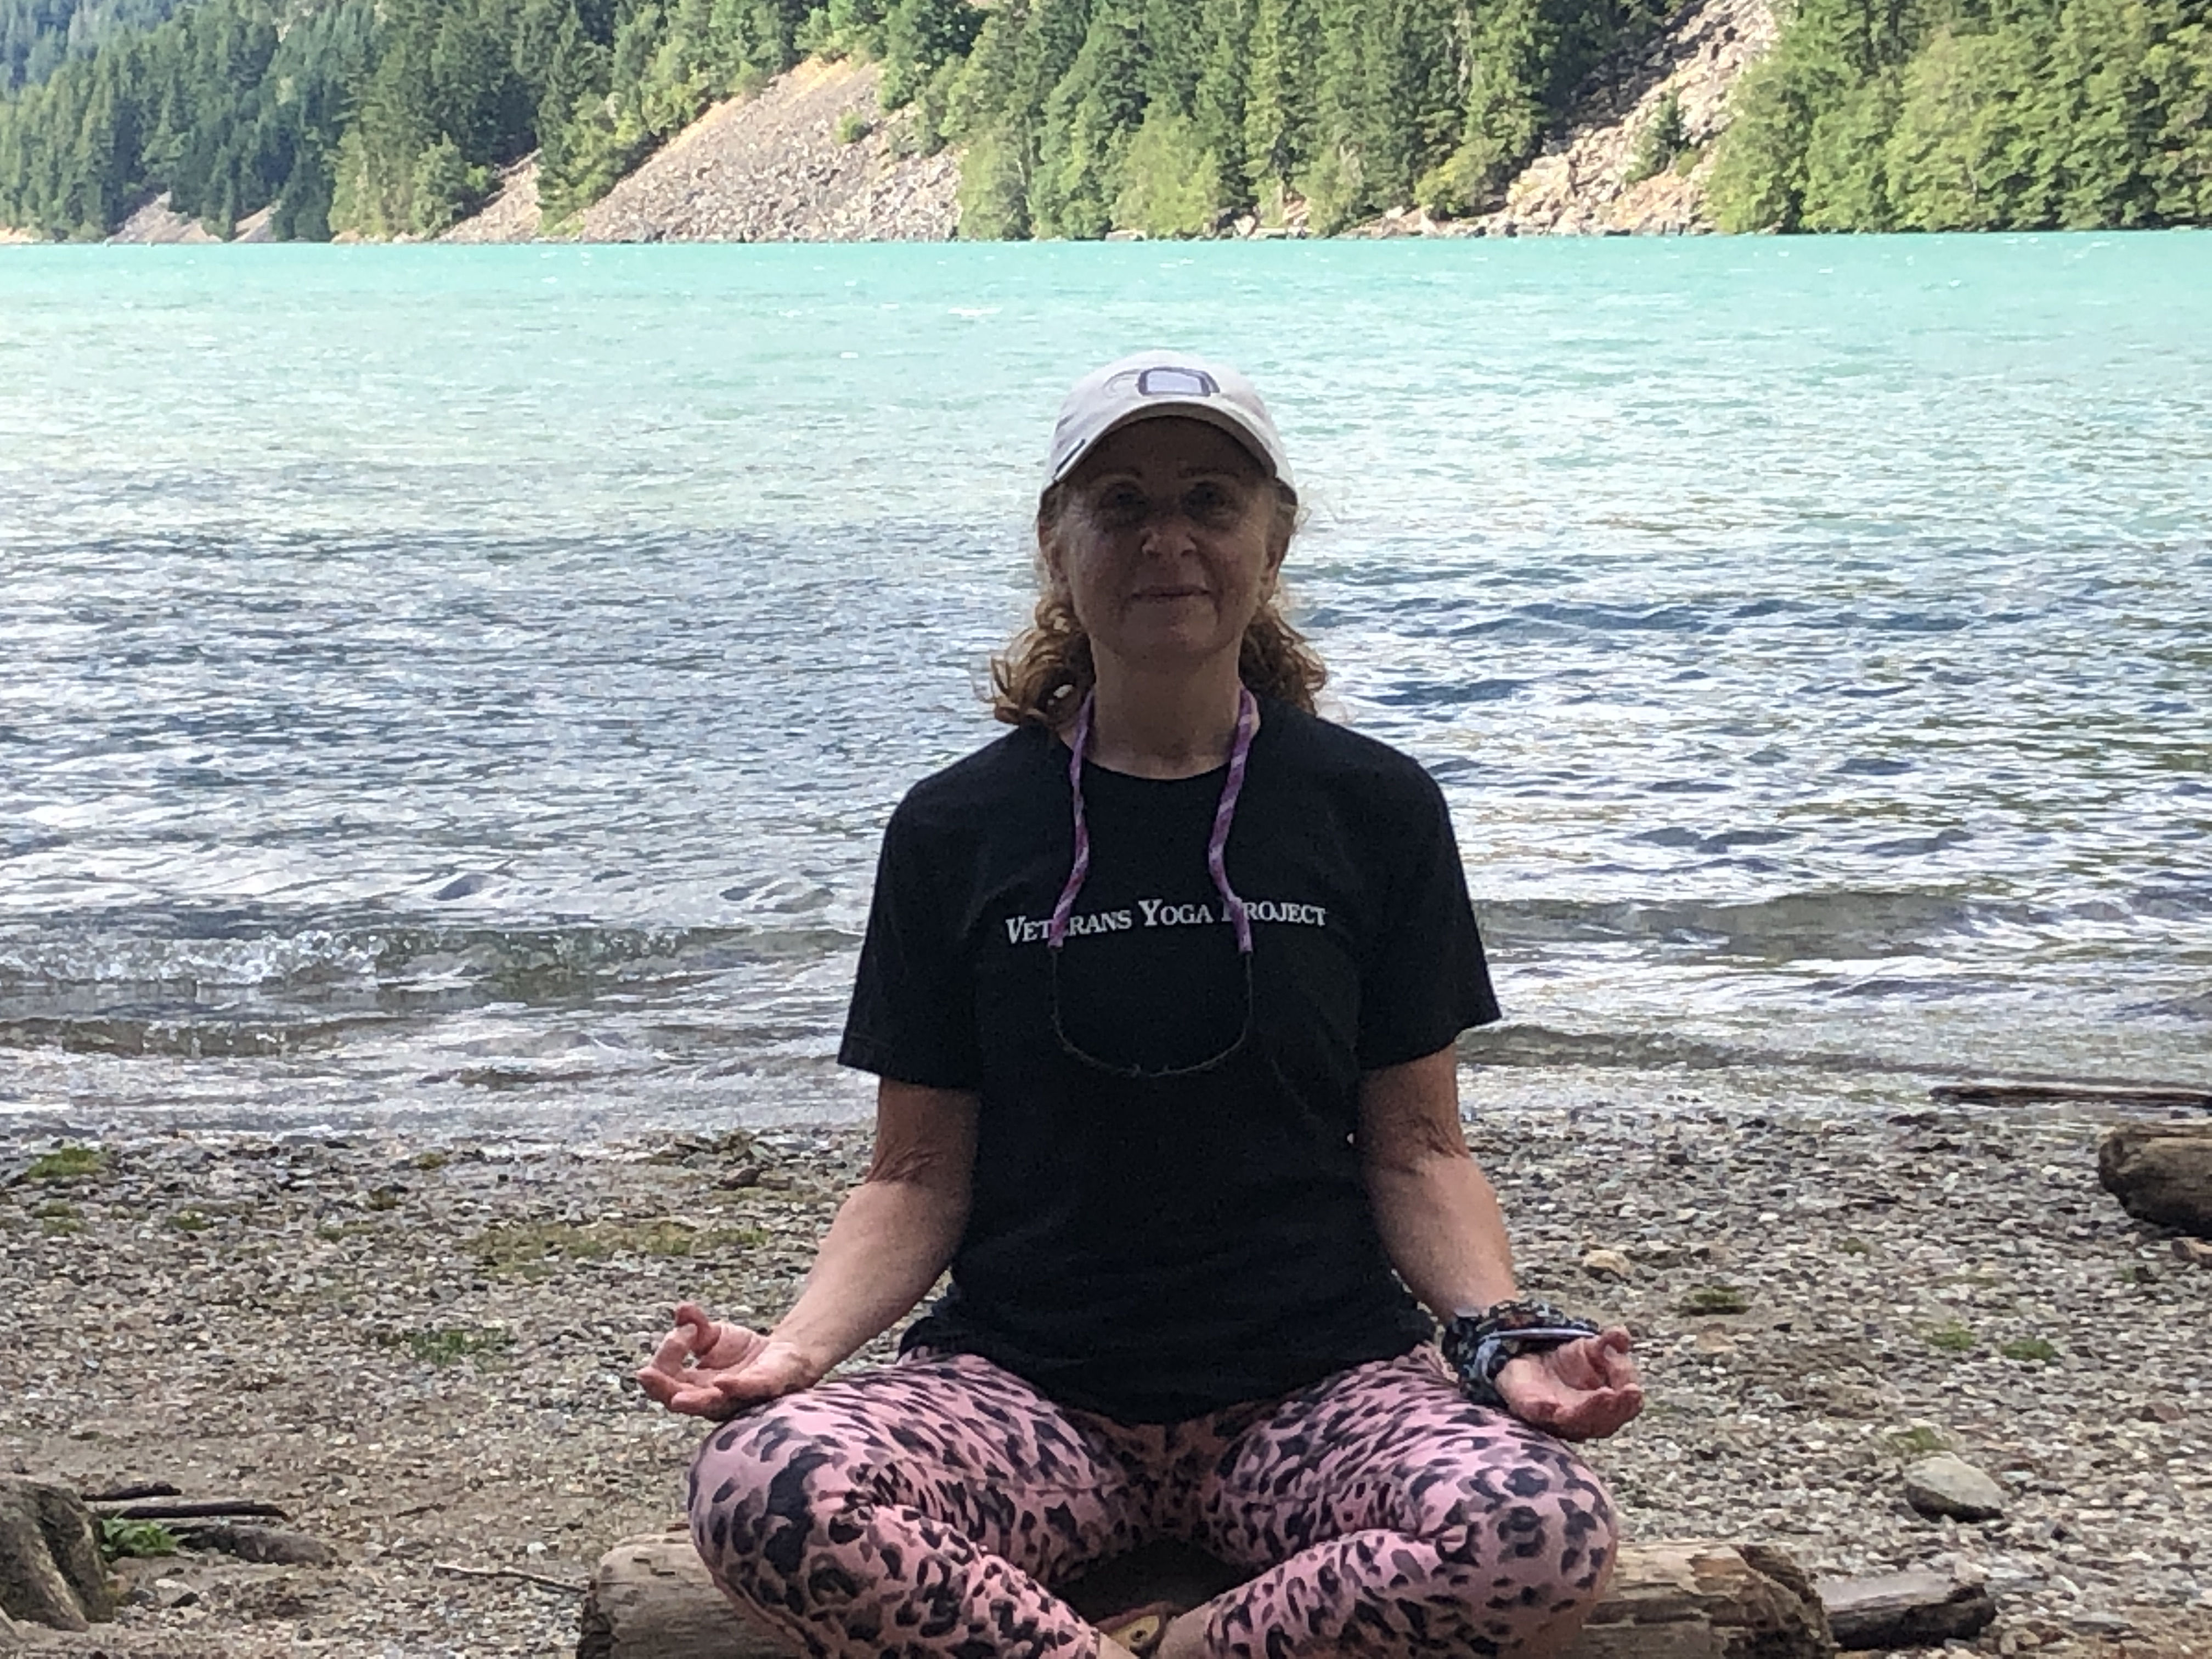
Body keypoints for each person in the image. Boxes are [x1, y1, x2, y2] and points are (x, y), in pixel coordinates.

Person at [638, 351, 1644, 1659]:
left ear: (1272, 538)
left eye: (1209, 500)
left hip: (1317, 1388)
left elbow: (1419, 1148)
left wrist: (1504, 1340)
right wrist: (792, 1357)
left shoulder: (1374, 809)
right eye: (1119, 502)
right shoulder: (958, 827)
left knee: (1539, 1529)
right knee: (765, 1492)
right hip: (1028, 1395)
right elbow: (914, 1176)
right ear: (1056, 543)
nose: (1167, 538)